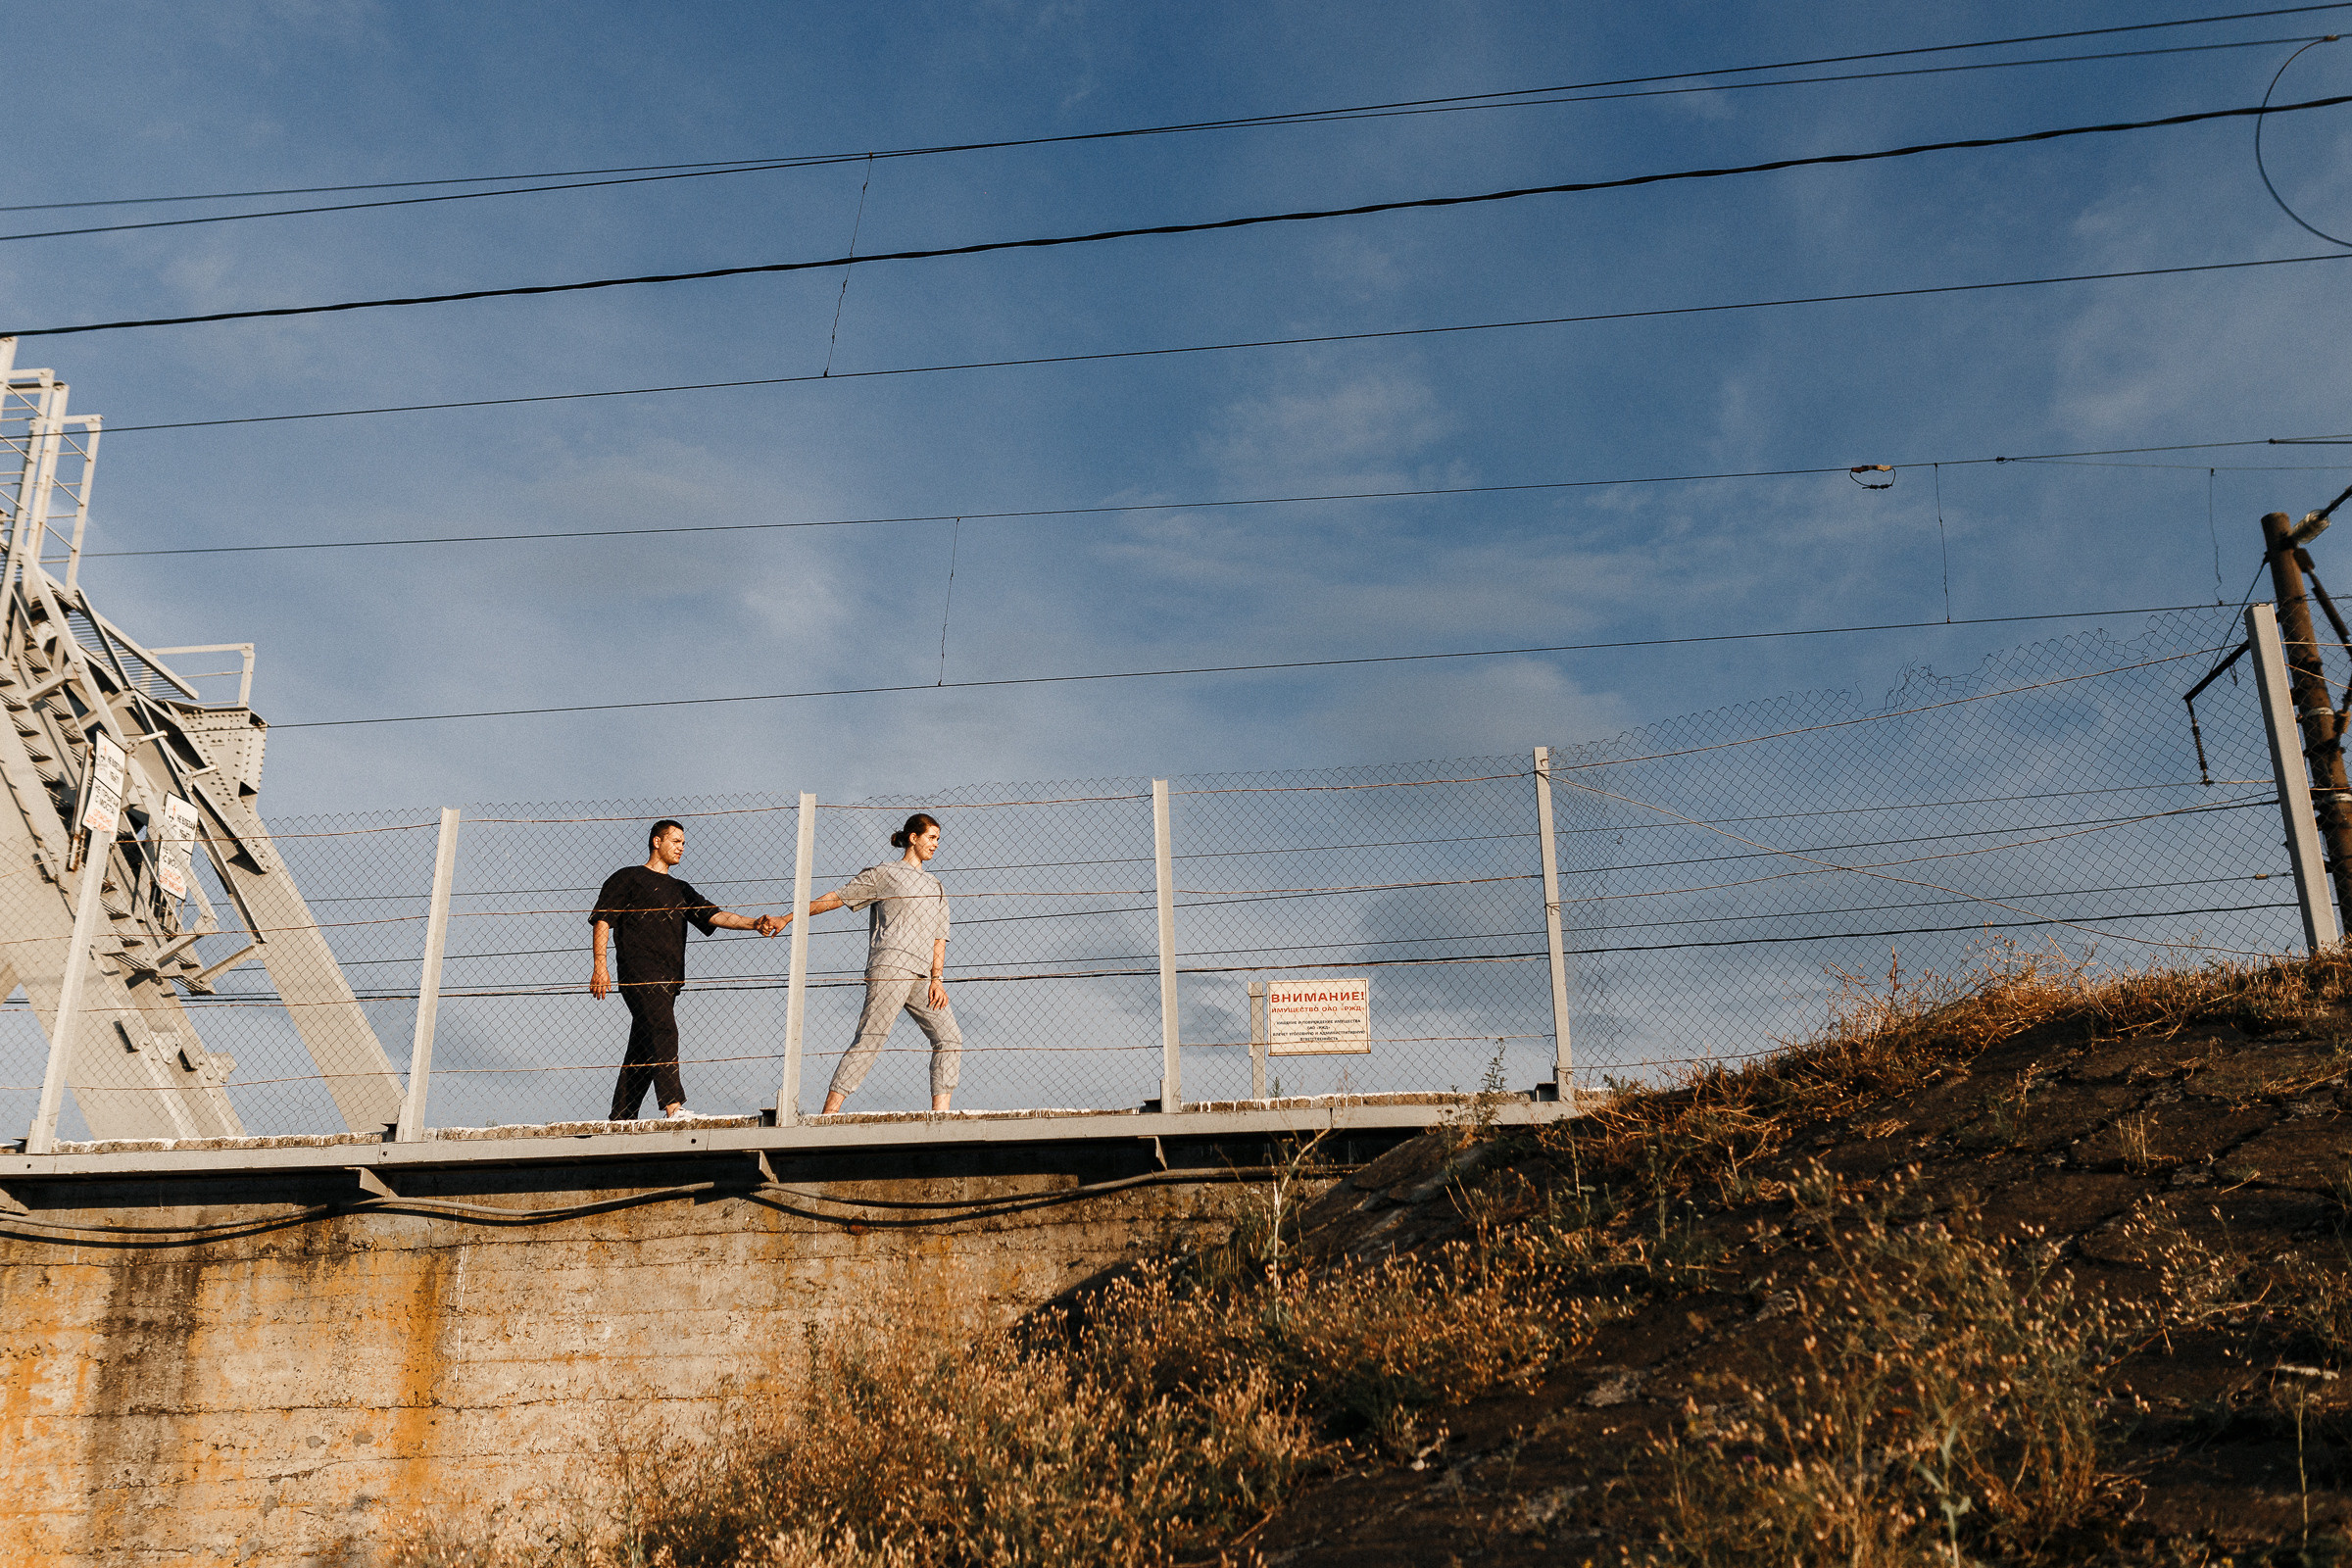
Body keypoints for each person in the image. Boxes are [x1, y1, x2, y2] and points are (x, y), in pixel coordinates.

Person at [590, 818, 781, 1120]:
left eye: (683, 843)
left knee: (643, 1045)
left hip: (670, 979)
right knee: (664, 1030)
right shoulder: (628, 878)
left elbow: (715, 916)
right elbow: (603, 920)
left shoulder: (681, 889)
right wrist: (600, 966)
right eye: (676, 841)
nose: (681, 847)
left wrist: (753, 923)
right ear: (657, 842)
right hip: (639, 972)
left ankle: (621, 1117)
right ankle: (673, 1107)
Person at [780, 811, 960, 1114]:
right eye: (931, 838)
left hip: (922, 977)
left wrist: (937, 978)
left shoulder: (937, 886)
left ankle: (941, 1115)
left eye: (939, 840)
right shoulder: (885, 874)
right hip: (890, 968)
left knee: (950, 1038)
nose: (936, 845)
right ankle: (830, 1113)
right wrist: (789, 917)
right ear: (913, 838)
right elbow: (837, 897)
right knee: (871, 1038)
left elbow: (939, 938)